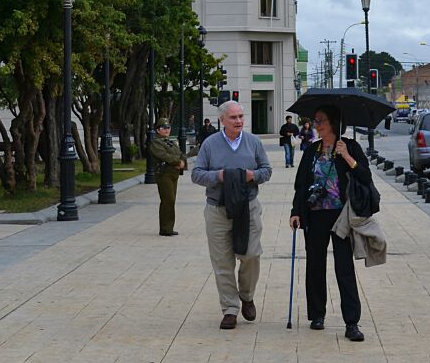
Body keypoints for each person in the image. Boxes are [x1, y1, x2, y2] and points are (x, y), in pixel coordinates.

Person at [289, 105, 371, 342]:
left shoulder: (350, 147)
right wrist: (296, 211)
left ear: (333, 123)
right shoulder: (312, 150)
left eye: (321, 120)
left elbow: (365, 176)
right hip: (315, 216)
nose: (316, 125)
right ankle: (317, 315)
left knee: (344, 267)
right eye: (315, 121)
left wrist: (347, 157)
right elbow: (301, 184)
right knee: (315, 265)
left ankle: (352, 322)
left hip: (341, 216)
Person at [192, 101, 272, 330]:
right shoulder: (210, 144)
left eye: (240, 116)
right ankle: (229, 308)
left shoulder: (253, 142)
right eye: (233, 117)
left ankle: (247, 295)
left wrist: (251, 175)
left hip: (248, 208)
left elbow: (266, 171)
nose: (238, 121)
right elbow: (196, 174)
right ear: (222, 120)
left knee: (251, 255)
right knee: (222, 262)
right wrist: (218, 177)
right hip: (218, 208)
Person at [149, 118, 187, 236]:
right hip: (164, 174)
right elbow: (163, 155)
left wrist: (183, 161)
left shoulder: (170, 141)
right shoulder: (156, 142)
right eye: (163, 128)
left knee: (171, 200)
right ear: (157, 130)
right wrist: (177, 162)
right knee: (168, 200)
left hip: (173, 174)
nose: (166, 130)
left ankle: (168, 227)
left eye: (168, 128)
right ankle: (165, 228)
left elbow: (180, 153)